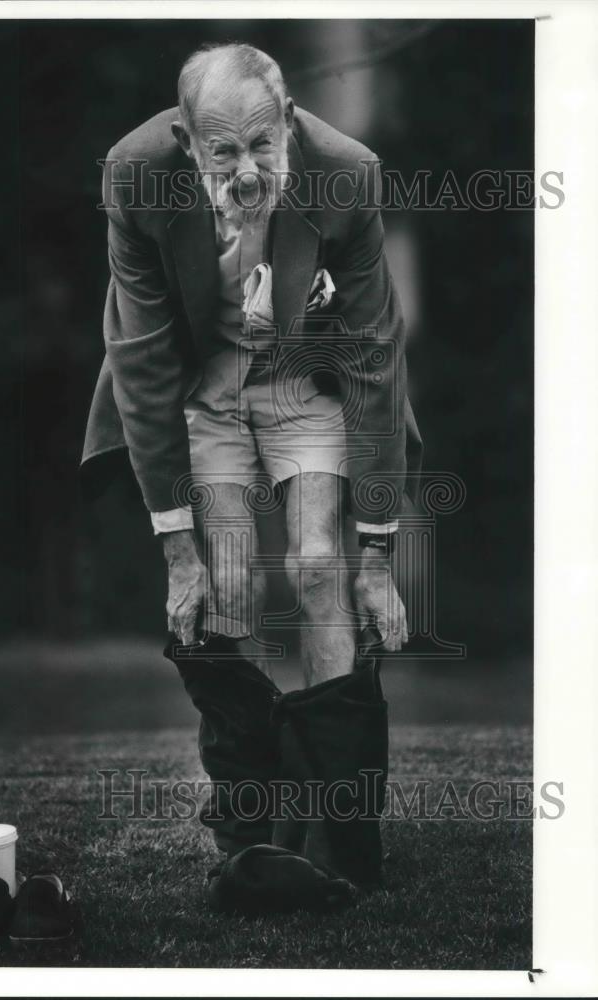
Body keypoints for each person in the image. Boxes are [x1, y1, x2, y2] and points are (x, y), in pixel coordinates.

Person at [81, 42, 422, 912]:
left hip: (303, 379)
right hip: (201, 385)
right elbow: (145, 366)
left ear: (288, 124)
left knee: (317, 567)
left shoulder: (345, 174)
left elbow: (374, 357)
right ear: (185, 144)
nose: (245, 169)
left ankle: (345, 838)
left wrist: (378, 552)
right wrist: (176, 548)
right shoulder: (134, 175)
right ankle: (252, 840)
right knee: (226, 580)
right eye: (221, 151)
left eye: (261, 145)